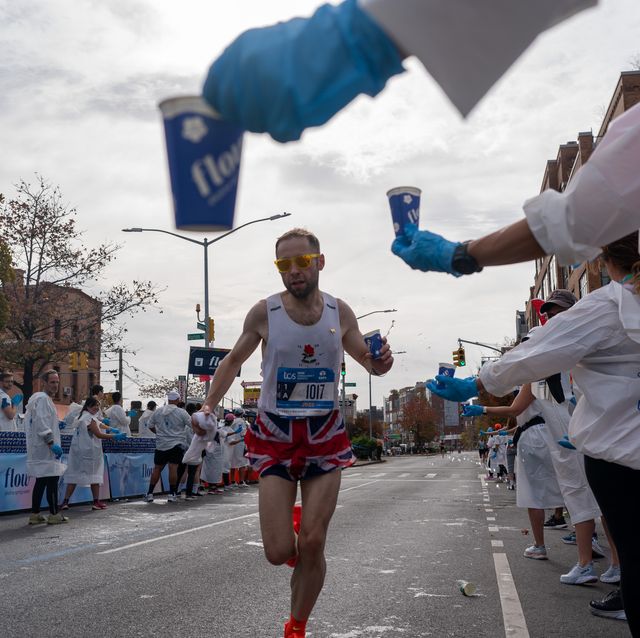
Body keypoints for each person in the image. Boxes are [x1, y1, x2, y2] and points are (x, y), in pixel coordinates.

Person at [428, 232, 640, 633]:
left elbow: (535, 352)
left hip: (621, 458)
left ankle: (603, 568)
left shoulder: (608, 305)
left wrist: (477, 383)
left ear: (601, 258)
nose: (548, 317)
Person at [201, 228, 393, 638]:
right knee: (278, 553)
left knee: (313, 543)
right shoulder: (263, 313)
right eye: (283, 265)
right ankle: (293, 522)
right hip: (275, 436)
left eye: (301, 263)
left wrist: (382, 361)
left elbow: (368, 362)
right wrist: (207, 405)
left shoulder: (339, 313)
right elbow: (233, 361)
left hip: (325, 435)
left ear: (319, 262)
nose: (293, 272)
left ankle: (296, 625)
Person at [61, 397, 127, 510]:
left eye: (98, 406)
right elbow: (98, 434)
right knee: (94, 476)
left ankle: (65, 502)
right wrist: (114, 436)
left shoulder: (82, 416)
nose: (97, 408)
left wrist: (111, 428)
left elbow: (99, 423)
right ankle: (96, 502)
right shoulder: (88, 418)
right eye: (94, 406)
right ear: (87, 406)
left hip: (78, 452)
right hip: (89, 453)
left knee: (74, 475)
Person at [24, 370, 68, 525]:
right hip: (46, 448)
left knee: (41, 481)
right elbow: (41, 423)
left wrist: (57, 423)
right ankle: (54, 514)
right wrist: (51, 443)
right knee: (52, 481)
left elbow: (44, 420)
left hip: (40, 448)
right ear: (44, 382)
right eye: (52, 382)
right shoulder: (43, 399)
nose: (56, 385)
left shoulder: (42, 399)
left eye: (57, 382)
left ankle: (35, 514)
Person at [145, 390, 192, 503]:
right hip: (176, 444)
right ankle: (172, 494)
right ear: (177, 400)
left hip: (161, 444)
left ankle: (150, 493)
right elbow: (191, 425)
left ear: (168, 399)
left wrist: (158, 433)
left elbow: (150, 425)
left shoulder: (158, 411)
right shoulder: (182, 412)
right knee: (173, 468)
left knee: (157, 468)